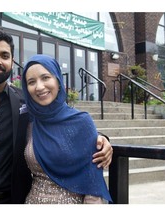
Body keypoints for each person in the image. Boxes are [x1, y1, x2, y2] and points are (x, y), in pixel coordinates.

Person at [0, 30, 113, 204]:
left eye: (4, 56)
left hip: (14, 200)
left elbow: (60, 123)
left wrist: (100, 139)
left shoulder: (26, 103)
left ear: (12, 63)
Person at [21, 54, 112, 204]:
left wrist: (102, 138)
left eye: (45, 77)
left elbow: (93, 187)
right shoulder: (31, 123)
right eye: (31, 82)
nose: (39, 86)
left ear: (58, 80)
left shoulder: (81, 121)